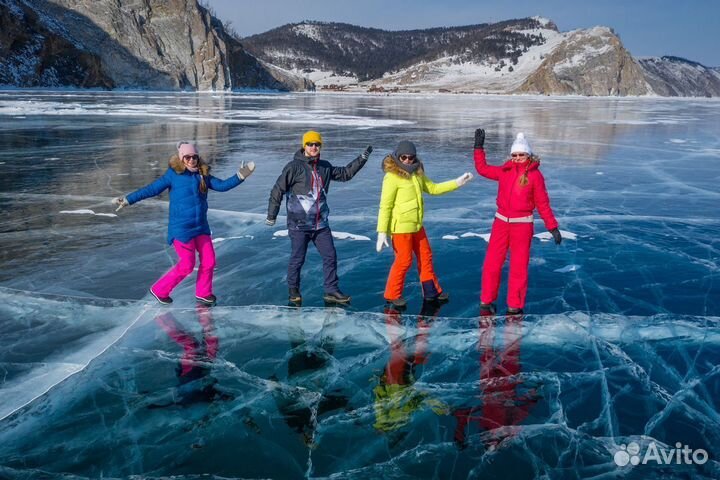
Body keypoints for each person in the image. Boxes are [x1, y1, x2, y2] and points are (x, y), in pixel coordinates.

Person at [113, 141, 255, 305]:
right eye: (187, 157)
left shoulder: (203, 175)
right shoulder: (172, 175)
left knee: (209, 261)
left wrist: (240, 175)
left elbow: (222, 186)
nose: (191, 160)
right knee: (187, 264)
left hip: (201, 227)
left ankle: (203, 292)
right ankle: (159, 290)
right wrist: (128, 199)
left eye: (194, 157)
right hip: (181, 229)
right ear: (181, 158)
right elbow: (150, 189)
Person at [266, 130, 372, 305]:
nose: (313, 147)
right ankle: (293, 290)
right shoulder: (293, 167)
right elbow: (278, 189)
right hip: (299, 225)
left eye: (317, 144)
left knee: (330, 256)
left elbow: (346, 173)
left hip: (321, 224)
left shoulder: (325, 167)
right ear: (304, 146)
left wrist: (362, 158)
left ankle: (331, 290)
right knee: (297, 258)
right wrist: (272, 214)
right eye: (310, 144)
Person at [473, 129, 561, 315]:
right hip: (501, 223)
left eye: (521, 154)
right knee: (491, 264)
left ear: (528, 154)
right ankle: (486, 300)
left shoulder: (535, 176)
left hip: (522, 225)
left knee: (518, 267)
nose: (518, 158)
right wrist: (478, 147)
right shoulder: (505, 171)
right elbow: (482, 169)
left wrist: (552, 227)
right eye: (515, 155)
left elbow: (543, 203)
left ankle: (515, 305)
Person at [376, 140, 473, 308]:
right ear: (397, 156)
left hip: (417, 226)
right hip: (400, 229)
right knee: (404, 261)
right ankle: (392, 294)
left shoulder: (417, 173)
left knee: (426, 257)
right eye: (403, 157)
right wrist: (382, 231)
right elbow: (385, 206)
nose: (407, 160)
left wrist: (457, 182)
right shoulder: (391, 177)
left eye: (411, 157)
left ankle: (431, 292)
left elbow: (433, 188)